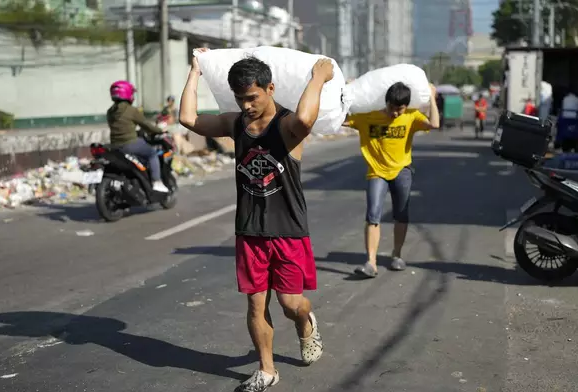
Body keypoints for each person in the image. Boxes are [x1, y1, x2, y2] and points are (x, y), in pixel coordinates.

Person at [178, 48, 333, 392]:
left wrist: (319, 78)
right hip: (249, 230)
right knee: (255, 303)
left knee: (291, 304)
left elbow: (308, 120)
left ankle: (306, 322)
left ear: (270, 89)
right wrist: (195, 72)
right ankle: (267, 369)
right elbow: (188, 119)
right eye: (239, 98)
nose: (246, 105)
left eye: (251, 97)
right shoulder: (237, 124)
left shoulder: (288, 126)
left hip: (288, 230)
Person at [345, 82, 440, 278]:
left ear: (406, 107)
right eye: (392, 108)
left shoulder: (411, 117)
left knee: (401, 214)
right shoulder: (368, 117)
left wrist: (431, 96)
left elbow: (435, 124)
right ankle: (371, 262)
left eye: (400, 109)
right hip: (377, 172)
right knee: (373, 215)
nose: (395, 114)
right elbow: (340, 120)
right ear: (386, 102)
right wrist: (344, 95)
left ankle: (397, 255)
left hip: (401, 171)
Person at [107, 80, 169, 193]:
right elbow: (146, 125)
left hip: (114, 146)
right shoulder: (131, 110)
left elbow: (121, 126)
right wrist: (160, 130)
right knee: (152, 154)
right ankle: (157, 181)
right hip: (129, 144)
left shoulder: (110, 111)